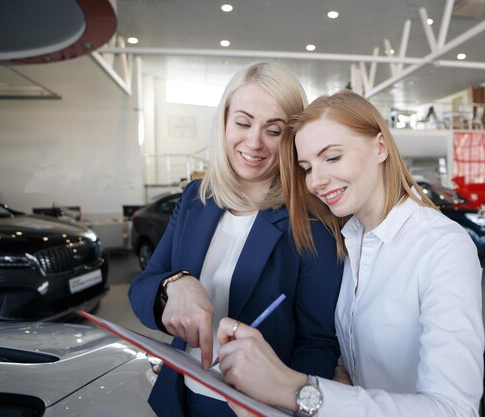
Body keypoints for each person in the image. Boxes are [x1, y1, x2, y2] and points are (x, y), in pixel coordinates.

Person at [216, 89, 484, 417]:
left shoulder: (442, 247)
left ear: (380, 147)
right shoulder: (348, 238)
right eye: (307, 167)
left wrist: (293, 388)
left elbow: (455, 409)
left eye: (332, 157)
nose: (316, 181)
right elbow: (357, 365)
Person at [128, 62, 343, 417]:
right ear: (225, 121)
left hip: (254, 409)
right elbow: (142, 287)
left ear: (291, 138)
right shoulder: (197, 197)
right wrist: (173, 285)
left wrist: (282, 398)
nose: (254, 142)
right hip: (178, 397)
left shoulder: (310, 219)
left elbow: (318, 343)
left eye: (273, 131)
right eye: (243, 123)